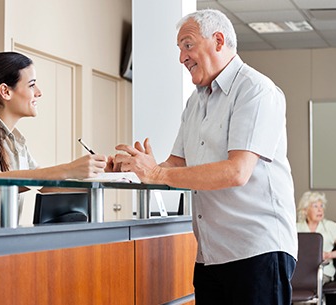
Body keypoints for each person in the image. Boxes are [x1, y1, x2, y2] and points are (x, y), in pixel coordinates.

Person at [114, 9, 297, 305]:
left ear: (219, 41)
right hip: (211, 254)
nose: (181, 58)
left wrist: (158, 174)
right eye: (179, 49)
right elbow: (175, 165)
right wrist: (137, 167)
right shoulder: (196, 101)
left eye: (187, 45)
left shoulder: (256, 91)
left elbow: (237, 172)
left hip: (257, 251)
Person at [0, 52, 109, 227]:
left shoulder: (16, 141)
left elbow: (46, 185)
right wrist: (69, 169)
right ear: (5, 91)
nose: (39, 93)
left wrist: (102, 176)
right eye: (32, 85)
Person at [296, 191, 336, 285]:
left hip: (323, 270)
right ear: (305, 210)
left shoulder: (330, 226)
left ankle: (318, 299)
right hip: (299, 271)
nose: (320, 210)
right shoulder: (296, 227)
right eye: (315, 206)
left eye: (321, 206)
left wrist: (327, 255)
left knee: (312, 282)